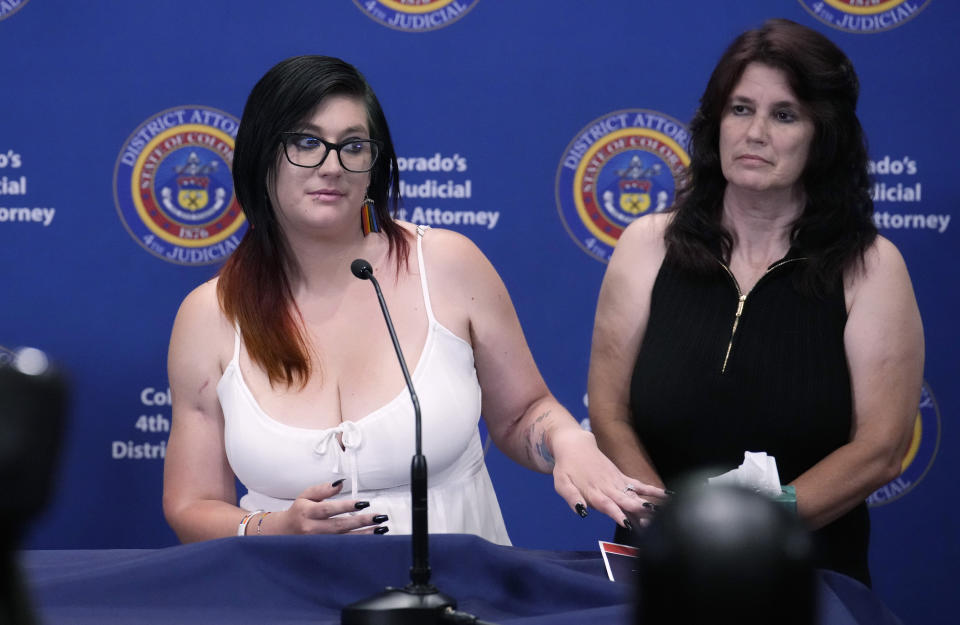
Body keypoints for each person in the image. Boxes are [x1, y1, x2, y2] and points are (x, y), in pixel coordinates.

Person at [163, 55, 663, 544]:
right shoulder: (210, 315)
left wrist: (566, 440)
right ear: (260, 153)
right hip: (284, 596)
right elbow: (192, 505)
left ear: (374, 164)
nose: (331, 166)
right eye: (306, 142)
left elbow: (523, 413)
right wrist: (276, 529)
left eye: (353, 146)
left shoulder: (447, 264)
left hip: (456, 596)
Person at [587, 19, 923, 586]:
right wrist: (664, 524)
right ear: (715, 122)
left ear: (824, 135)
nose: (755, 132)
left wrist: (745, 530)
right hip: (659, 566)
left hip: (802, 576)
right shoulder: (645, 246)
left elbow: (879, 450)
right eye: (740, 109)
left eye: (784, 114)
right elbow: (609, 413)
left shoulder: (870, 266)